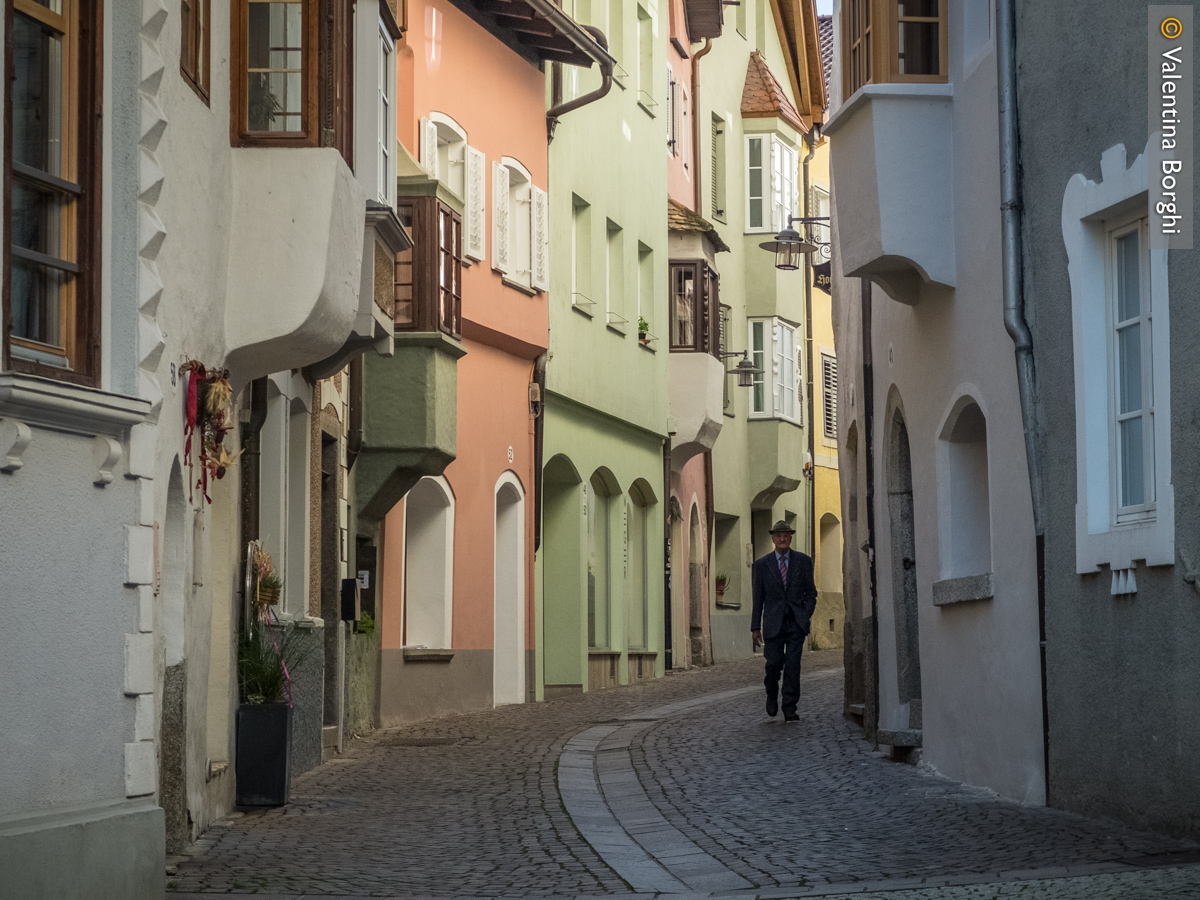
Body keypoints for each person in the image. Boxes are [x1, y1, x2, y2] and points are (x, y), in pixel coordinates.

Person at [751, 520, 818, 722]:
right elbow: (758, 597)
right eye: (778, 535)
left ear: (791, 537)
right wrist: (755, 627)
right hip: (773, 623)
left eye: (786, 535)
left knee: (793, 665)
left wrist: (805, 615)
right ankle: (772, 693)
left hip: (796, 622)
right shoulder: (762, 565)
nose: (782, 539)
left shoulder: (803, 561)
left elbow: (811, 593)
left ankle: (790, 707)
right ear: (773, 538)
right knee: (773, 663)